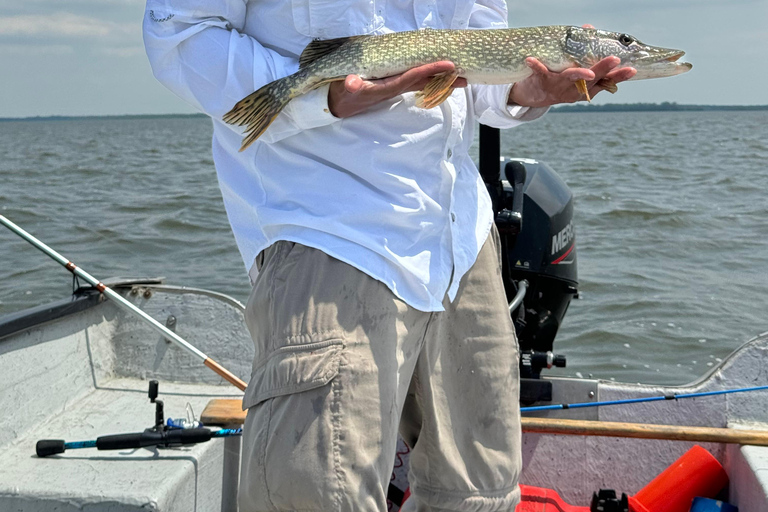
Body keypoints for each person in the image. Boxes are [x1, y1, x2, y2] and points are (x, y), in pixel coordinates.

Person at [143, 2, 635, 510]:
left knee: (478, 492)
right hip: (331, 228)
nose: (634, 52)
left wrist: (524, 91)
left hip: (459, 235)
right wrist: (316, 93)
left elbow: (479, 64)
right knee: (318, 492)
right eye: (623, 43)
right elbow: (178, 31)